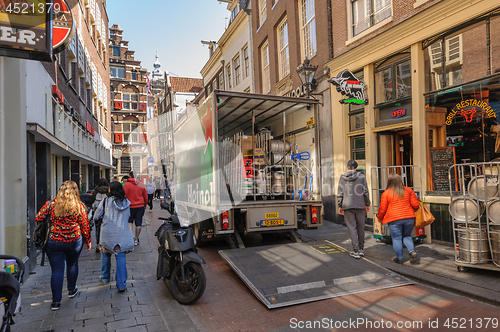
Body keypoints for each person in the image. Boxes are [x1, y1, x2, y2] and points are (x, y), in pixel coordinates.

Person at [35, 181, 91, 311]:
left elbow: (38, 218)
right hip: (74, 241)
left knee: (57, 270)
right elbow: (85, 225)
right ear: (76, 191)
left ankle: (56, 302)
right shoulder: (79, 206)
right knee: (72, 264)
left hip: (54, 241)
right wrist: (88, 240)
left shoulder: (51, 205)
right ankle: (72, 290)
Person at [93, 181, 134, 292]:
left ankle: (105, 277)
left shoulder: (106, 201)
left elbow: (96, 216)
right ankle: (121, 284)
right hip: (122, 234)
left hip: (107, 234)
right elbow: (128, 216)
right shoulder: (127, 202)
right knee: (120, 257)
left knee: (106, 255)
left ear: (111, 190)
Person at [376, 173, 420, 264]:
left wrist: (379, 218)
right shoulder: (408, 190)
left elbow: (382, 209)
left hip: (394, 219)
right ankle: (412, 251)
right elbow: (416, 205)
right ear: (400, 181)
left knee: (396, 238)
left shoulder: (386, 193)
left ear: (389, 182)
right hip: (409, 218)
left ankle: (399, 258)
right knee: (407, 236)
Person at [337, 159, 370, 259]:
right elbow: (366, 191)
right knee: (361, 228)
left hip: (347, 206)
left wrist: (340, 205)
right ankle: (361, 249)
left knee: (352, 228)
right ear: (356, 167)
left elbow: (340, 193)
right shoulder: (361, 177)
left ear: (348, 167)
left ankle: (355, 250)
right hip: (360, 205)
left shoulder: (342, 178)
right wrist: (367, 203)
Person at [123, 171, 147, 245]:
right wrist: (145, 205)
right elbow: (145, 197)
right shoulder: (141, 185)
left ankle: (131, 238)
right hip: (140, 206)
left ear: (130, 176)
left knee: (129, 221)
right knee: (138, 222)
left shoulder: (126, 185)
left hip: (129, 206)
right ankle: (136, 239)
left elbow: (124, 196)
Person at [90, 178, 110, 253]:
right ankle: (105, 244)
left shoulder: (96, 190)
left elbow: (92, 200)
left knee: (97, 229)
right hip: (106, 213)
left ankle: (98, 245)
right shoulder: (109, 190)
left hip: (97, 212)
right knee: (106, 229)